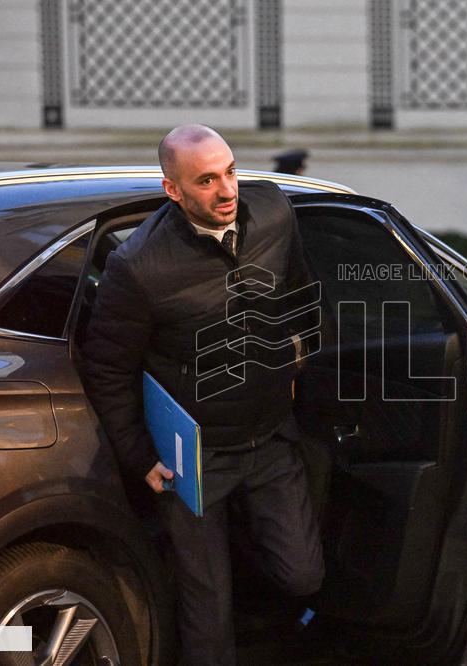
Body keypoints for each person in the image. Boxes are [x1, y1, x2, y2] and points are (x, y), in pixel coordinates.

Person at [80, 124, 324, 665]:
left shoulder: (275, 212)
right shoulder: (138, 266)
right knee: (206, 609)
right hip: (195, 456)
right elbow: (108, 368)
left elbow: (303, 293)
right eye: (208, 180)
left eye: (231, 171)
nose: (228, 190)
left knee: (302, 574)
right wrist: (140, 455)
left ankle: (259, 618)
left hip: (271, 437)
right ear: (174, 191)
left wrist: (297, 353)